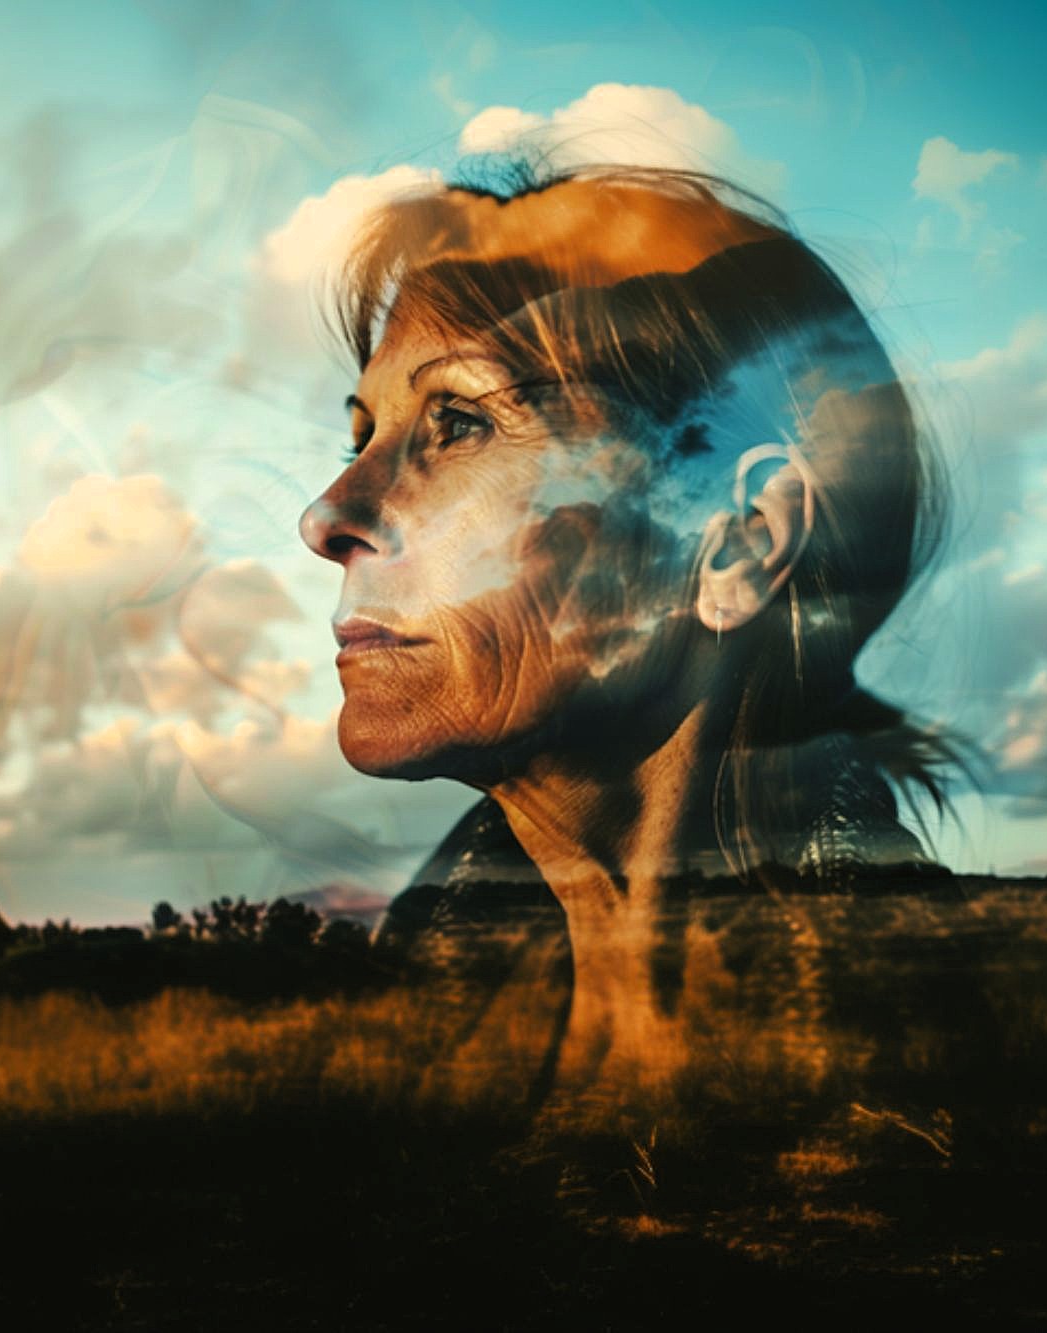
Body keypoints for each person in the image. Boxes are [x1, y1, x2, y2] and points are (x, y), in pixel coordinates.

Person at [297, 161, 958, 1091]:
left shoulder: (948, 1073)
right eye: (361, 437)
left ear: (737, 545)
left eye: (459, 422)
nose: (328, 514)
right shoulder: (404, 1020)